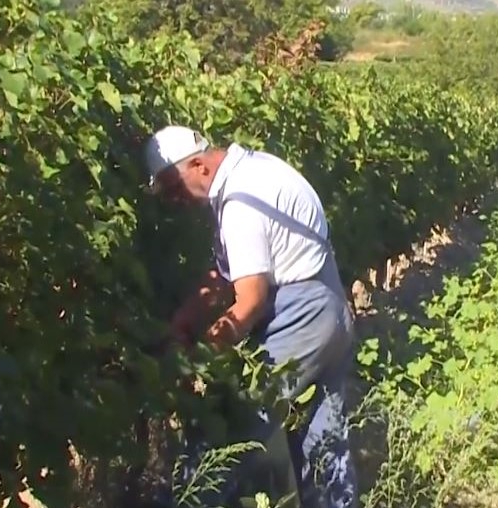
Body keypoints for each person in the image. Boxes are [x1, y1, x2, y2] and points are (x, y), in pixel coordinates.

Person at [142, 125, 359, 508]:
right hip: (331, 308)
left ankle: (193, 501)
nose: (175, 200)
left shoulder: (240, 203)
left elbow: (251, 300)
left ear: (199, 165)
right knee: (323, 441)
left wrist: (203, 359)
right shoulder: (257, 170)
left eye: (175, 187)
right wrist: (183, 321)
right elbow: (227, 274)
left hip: (301, 320)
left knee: (229, 424)